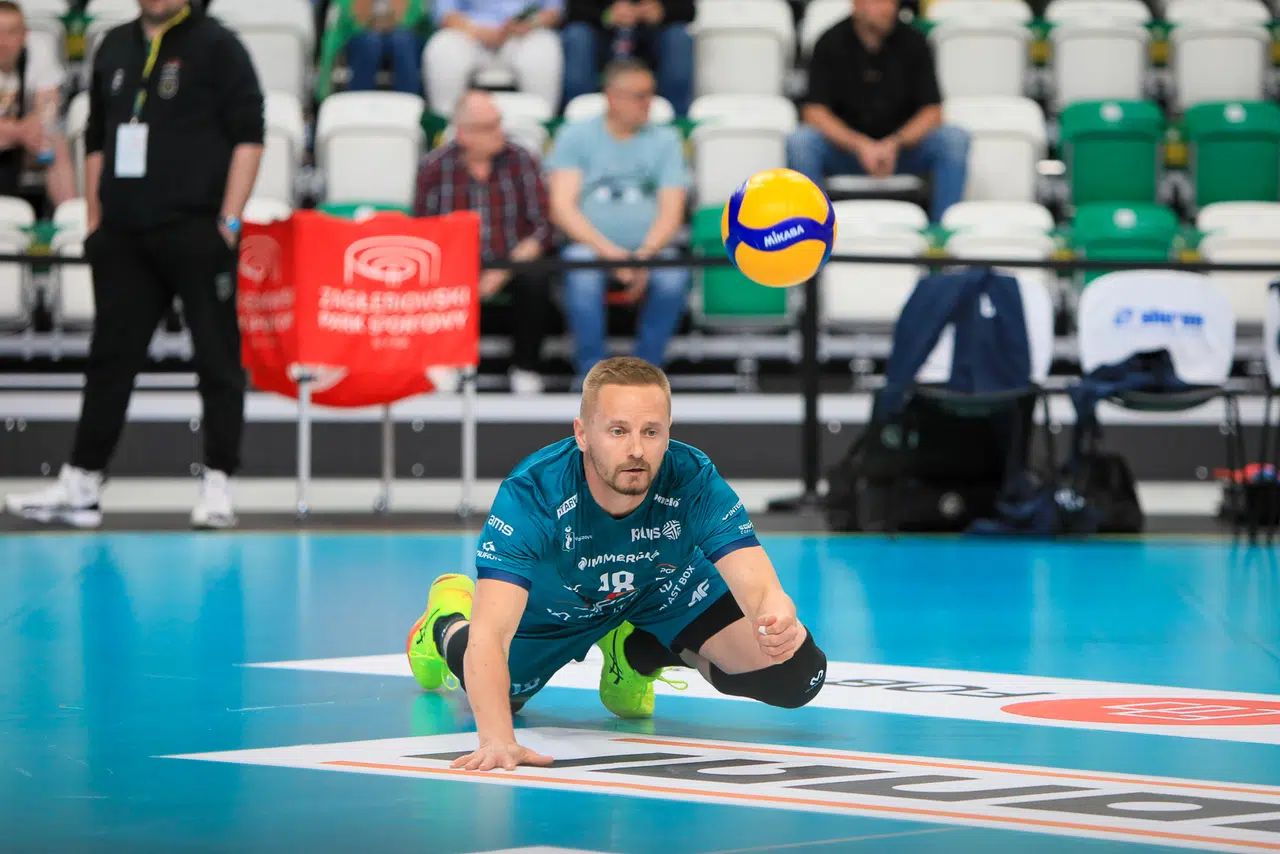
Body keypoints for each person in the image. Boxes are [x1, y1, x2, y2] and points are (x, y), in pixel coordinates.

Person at [406, 356, 828, 771]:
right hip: (558, 612)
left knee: (796, 674)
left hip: (662, 588)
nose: (637, 450)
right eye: (618, 431)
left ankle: (632, 653)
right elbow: (492, 636)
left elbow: (760, 588)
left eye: (651, 432)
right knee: (500, 693)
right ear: (582, 433)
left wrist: (777, 618)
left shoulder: (692, 478)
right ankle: (445, 620)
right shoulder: (533, 494)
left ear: (668, 432)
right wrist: (498, 740)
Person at [3, 0, 264, 529]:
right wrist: (95, 218)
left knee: (217, 358)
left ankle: (219, 481)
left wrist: (230, 221)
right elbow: (97, 136)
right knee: (109, 361)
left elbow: (249, 135)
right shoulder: (115, 44)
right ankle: (82, 483)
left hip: (196, 228)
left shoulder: (219, 45)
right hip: (124, 233)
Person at [546, 58, 689, 381]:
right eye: (639, 96)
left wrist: (644, 256)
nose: (648, 103)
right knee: (581, 270)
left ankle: (645, 375)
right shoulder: (576, 136)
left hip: (651, 249)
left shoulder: (666, 140)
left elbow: (672, 210)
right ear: (612, 97)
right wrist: (610, 253)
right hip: (591, 248)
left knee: (673, 275)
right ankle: (592, 376)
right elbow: (562, 207)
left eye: (650, 94)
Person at [413, 91, 553, 394]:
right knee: (431, 277)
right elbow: (425, 233)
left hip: (513, 258)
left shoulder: (521, 160)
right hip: (454, 262)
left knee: (536, 276)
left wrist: (504, 269)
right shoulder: (434, 167)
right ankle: (446, 361)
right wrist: (464, 273)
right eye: (490, 126)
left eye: (499, 123)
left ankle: (525, 368)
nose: (499, 132)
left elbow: (542, 226)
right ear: (464, 134)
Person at [786, 0, 969, 222]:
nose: (888, 8)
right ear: (857, 5)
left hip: (901, 152)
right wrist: (860, 145)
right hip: (845, 152)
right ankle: (815, 227)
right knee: (802, 142)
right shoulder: (829, 42)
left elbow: (932, 111)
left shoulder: (915, 41)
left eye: (892, 2)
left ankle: (941, 231)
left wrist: (895, 143)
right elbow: (813, 111)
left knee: (953, 140)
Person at [423, 0, 564, 116]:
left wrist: (530, 23)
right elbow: (445, 12)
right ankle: (444, 126)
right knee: (442, 46)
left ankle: (543, 125)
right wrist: (477, 31)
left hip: (523, 35)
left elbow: (554, 10)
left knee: (544, 48)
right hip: (469, 33)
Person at [561, 0, 693, 116]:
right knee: (577, 34)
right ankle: (576, 113)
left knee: (678, 36)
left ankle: (677, 119)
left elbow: (687, 10)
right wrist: (607, 15)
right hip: (601, 40)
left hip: (651, 40)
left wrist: (661, 11)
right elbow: (572, 10)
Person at [0, 0, 74, 206]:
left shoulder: (38, 50)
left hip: (27, 140)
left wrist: (28, 129)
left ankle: (68, 214)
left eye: (11, 32)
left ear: (24, 35)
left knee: (53, 141)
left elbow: (49, 107)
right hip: (13, 134)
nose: (2, 41)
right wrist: (18, 131)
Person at [315, 0, 428, 101]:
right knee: (370, 43)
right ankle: (358, 104)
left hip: (403, 34)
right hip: (359, 33)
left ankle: (409, 105)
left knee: (402, 42)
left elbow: (416, 16)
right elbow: (347, 17)